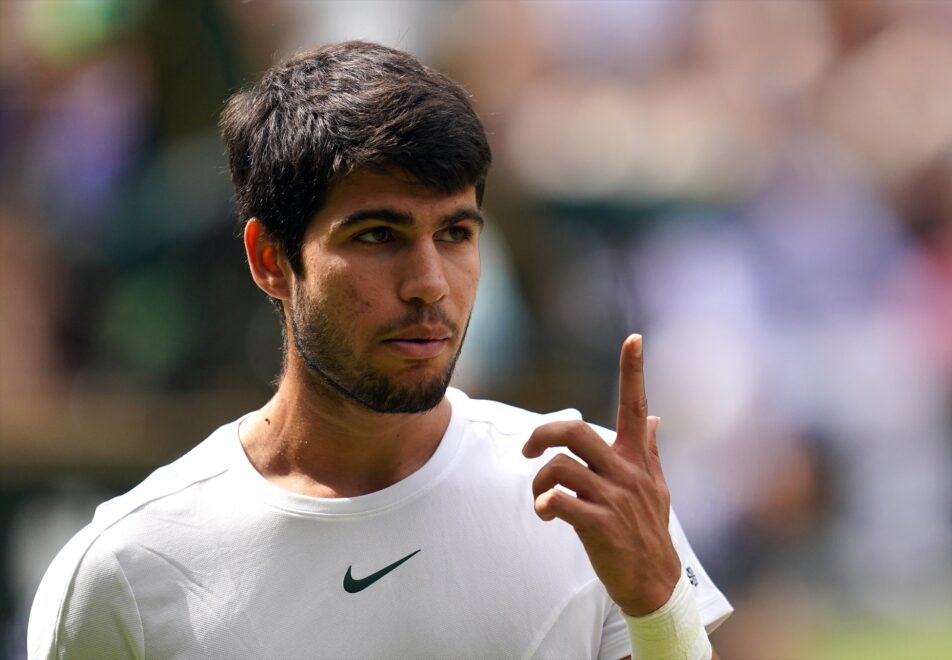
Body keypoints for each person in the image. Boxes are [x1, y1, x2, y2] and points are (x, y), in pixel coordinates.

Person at [28, 41, 731, 659]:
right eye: (377, 236)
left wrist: (657, 603)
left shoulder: (597, 504)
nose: (429, 284)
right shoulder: (125, 568)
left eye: (455, 233)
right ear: (270, 259)